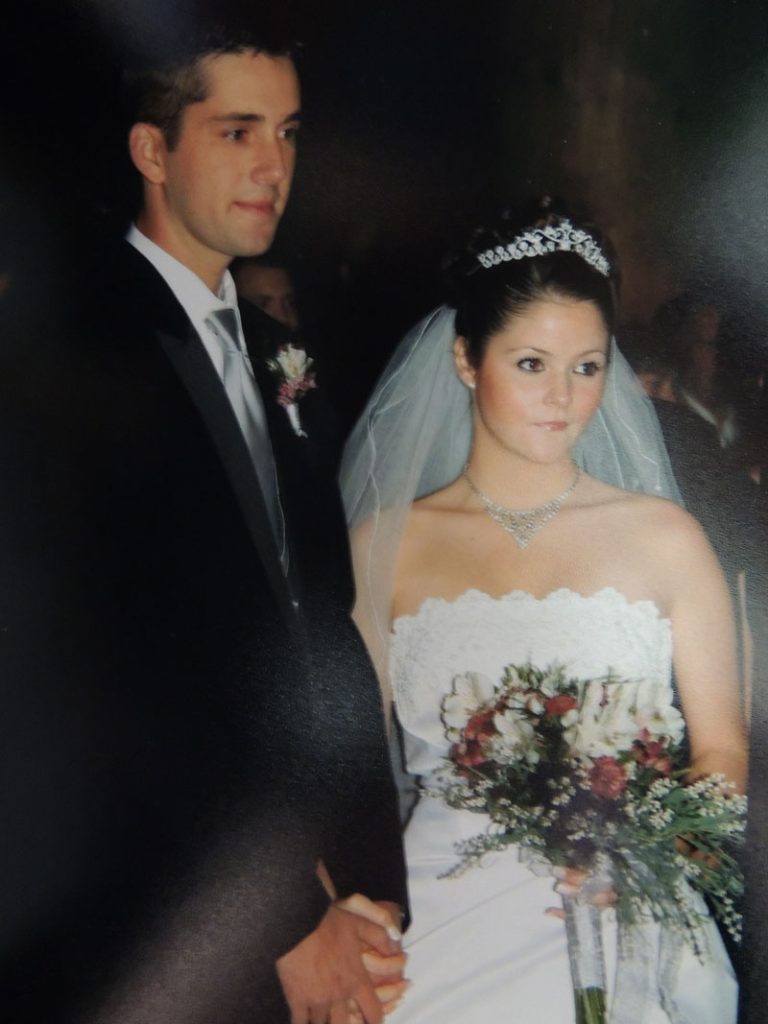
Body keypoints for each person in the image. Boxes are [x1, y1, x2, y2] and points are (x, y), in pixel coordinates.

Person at [0, 16, 408, 1024]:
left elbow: (317, 623)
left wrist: (363, 868)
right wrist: (284, 925)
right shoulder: (73, 355)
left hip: (306, 875)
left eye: (291, 132)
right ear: (153, 150)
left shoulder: (286, 359)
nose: (275, 164)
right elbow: (105, 677)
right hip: (161, 916)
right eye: (237, 132)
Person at [341, 202, 746, 1022]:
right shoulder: (385, 546)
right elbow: (333, 767)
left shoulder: (666, 540)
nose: (562, 397)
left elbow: (723, 753)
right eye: (531, 364)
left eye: (587, 367)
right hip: (437, 914)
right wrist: (340, 898)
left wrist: (648, 855)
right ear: (465, 358)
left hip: (620, 904)